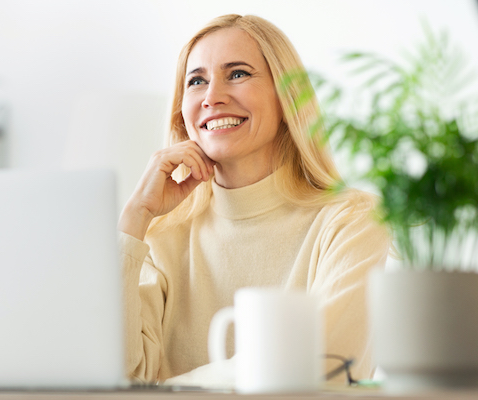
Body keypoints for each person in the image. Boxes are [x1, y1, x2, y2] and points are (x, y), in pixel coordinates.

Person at [118, 14, 390, 385]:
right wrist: (135, 217)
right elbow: (120, 376)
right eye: (197, 81)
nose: (212, 97)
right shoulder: (160, 237)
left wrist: (167, 390)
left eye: (238, 74)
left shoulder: (352, 220)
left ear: (286, 98)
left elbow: (326, 365)